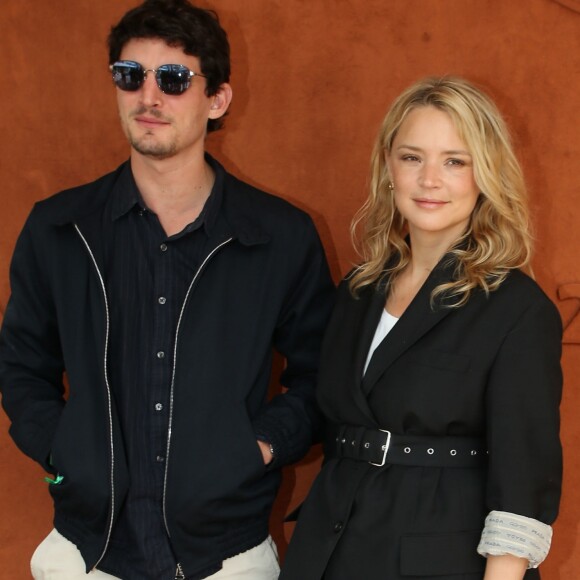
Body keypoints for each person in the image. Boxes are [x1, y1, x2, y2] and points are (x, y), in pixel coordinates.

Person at [0, 1, 334, 578]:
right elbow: (20, 366)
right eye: (130, 76)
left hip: (228, 555)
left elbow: (322, 373)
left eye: (174, 80)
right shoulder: (60, 229)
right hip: (86, 553)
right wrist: (63, 450)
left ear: (218, 99)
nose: (148, 98)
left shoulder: (279, 237)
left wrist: (256, 449)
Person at [280, 76, 563, 580]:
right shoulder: (357, 290)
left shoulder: (518, 309)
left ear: (486, 175)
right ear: (388, 167)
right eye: (412, 157)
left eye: (455, 161)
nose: (429, 179)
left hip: (439, 563)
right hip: (328, 552)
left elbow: (522, 484)